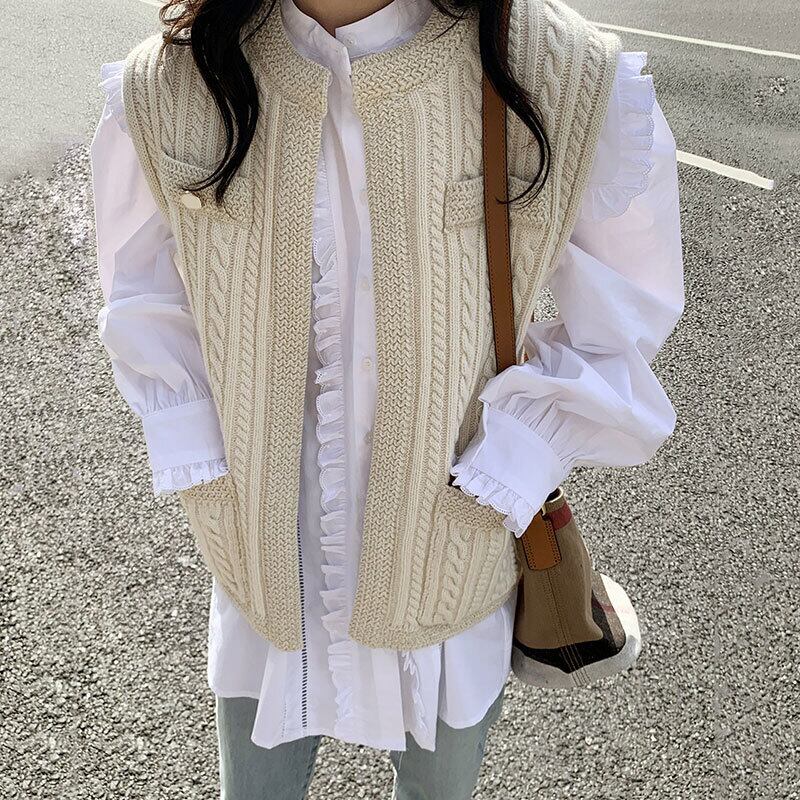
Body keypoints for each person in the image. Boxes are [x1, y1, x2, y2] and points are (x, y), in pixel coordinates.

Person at [90, 0, 684, 797]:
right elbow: (145, 298)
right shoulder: (175, 82)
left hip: (449, 557)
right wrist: (204, 467)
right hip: (263, 565)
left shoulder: (559, 71)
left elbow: (626, 314)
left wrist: (510, 464)